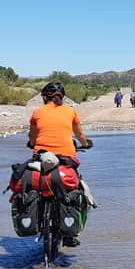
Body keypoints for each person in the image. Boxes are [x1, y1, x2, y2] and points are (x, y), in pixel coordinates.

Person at [27, 81, 92, 246]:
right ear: (62, 97)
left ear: (44, 97)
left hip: (41, 158)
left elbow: (32, 137)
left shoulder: (37, 112)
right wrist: (85, 144)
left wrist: (32, 144)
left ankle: (36, 218)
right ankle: (69, 234)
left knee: (36, 185)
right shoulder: (70, 112)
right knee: (76, 187)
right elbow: (80, 135)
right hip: (66, 158)